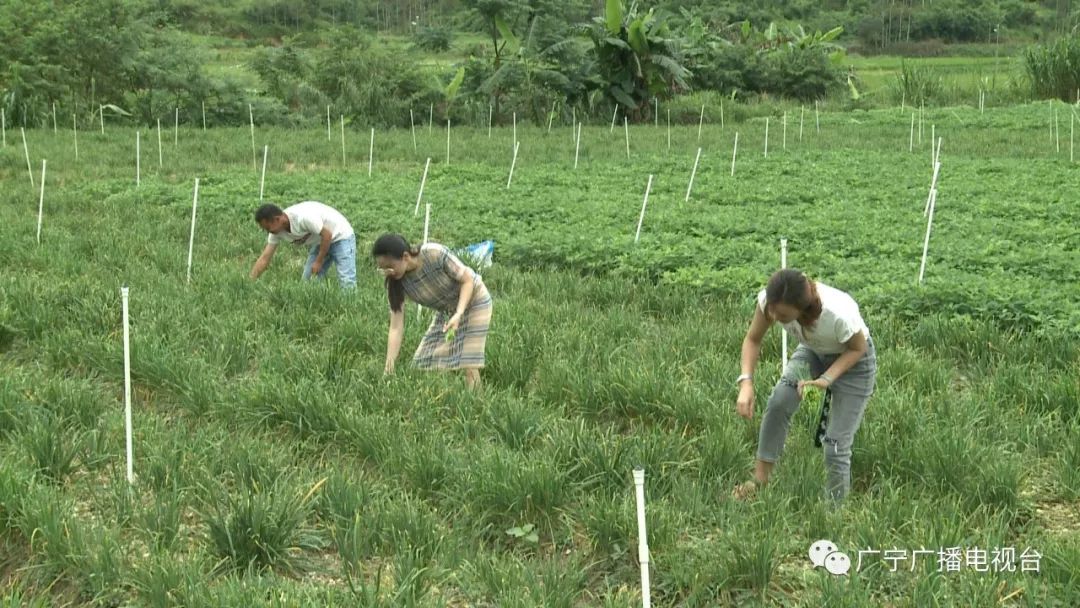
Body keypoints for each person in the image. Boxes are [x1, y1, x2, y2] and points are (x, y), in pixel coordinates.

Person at [732, 269, 877, 504]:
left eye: (781, 314)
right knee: (779, 400)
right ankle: (760, 482)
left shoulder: (838, 313)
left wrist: (826, 380)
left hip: (855, 364)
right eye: (771, 308)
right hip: (814, 351)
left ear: (802, 309)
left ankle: (834, 510)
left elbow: (857, 349)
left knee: (835, 444)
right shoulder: (771, 302)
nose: (772, 315)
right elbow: (753, 339)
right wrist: (746, 382)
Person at [372, 233, 492, 390]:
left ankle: (477, 404)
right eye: (383, 269)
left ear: (405, 256)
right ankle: (441, 397)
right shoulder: (396, 284)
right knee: (423, 362)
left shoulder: (434, 253)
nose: (388, 273)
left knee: (468, 359)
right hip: (448, 310)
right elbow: (396, 327)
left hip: (474, 299)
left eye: (390, 267)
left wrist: (459, 313)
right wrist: (389, 367)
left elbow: (467, 280)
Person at [249, 201, 357, 289]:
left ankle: (351, 308)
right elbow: (265, 258)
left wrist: (318, 261)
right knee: (307, 283)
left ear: (277, 219)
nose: (268, 232)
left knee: (347, 280)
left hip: (341, 236)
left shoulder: (303, 218)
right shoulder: (277, 232)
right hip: (321, 241)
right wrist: (250, 281)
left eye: (268, 228)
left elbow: (327, 235)